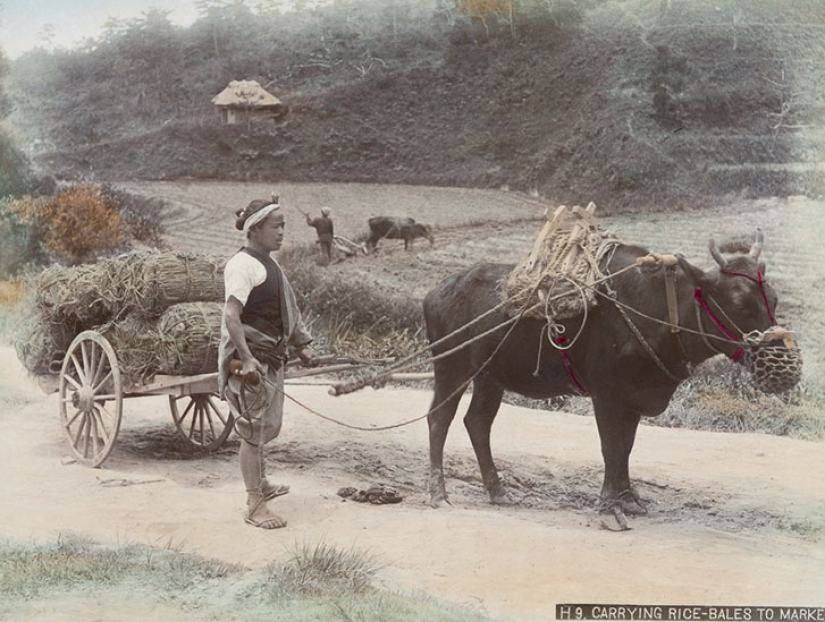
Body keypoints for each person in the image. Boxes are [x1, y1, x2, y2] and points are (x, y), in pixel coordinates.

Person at [218, 198, 318, 529]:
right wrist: (245, 358)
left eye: (283, 225)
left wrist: (301, 344)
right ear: (255, 229)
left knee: (263, 427)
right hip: (250, 361)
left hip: (270, 356)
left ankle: (261, 485)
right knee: (252, 431)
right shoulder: (242, 266)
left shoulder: (270, 265)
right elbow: (231, 316)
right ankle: (254, 504)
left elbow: (287, 309)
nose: (282, 232)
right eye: (276, 226)